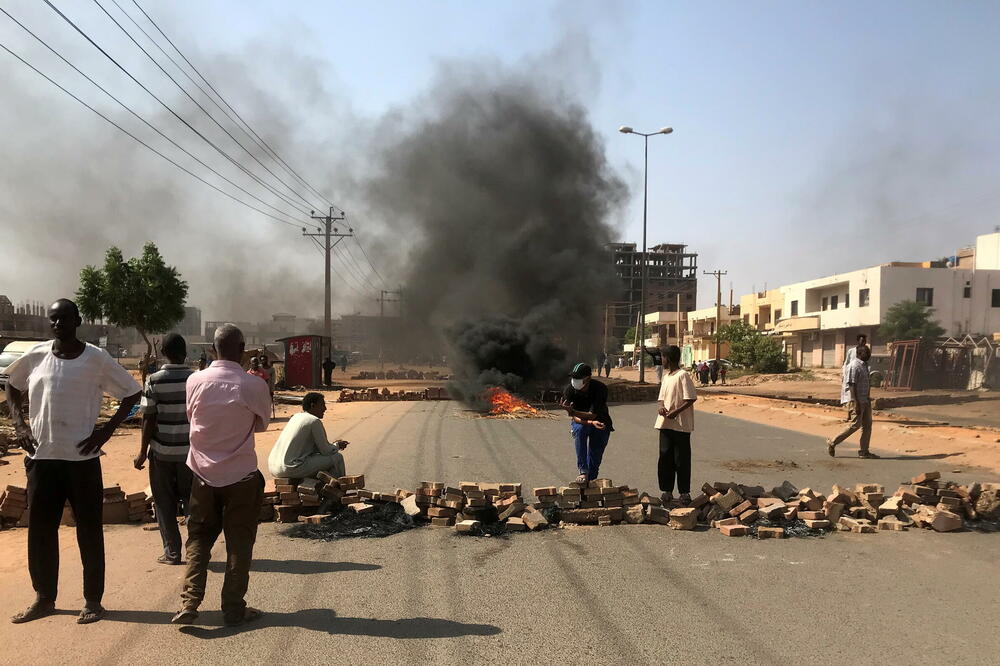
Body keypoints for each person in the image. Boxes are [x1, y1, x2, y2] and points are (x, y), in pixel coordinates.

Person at [5, 299, 141, 625]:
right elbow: (11, 386)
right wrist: (20, 425)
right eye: (53, 319)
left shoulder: (96, 358)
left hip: (82, 461)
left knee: (89, 531)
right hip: (42, 459)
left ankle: (93, 600)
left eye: (64, 318)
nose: (57, 324)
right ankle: (43, 598)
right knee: (40, 531)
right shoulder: (36, 356)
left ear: (77, 320)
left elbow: (132, 394)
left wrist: (105, 432)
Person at [172, 324, 271, 627]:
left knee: (199, 539)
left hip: (201, 475)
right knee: (239, 544)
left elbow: (193, 417)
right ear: (242, 350)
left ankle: (190, 602)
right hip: (241, 476)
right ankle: (233, 608)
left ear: (213, 350)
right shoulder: (253, 385)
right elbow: (263, 424)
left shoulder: (194, 381)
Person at [134, 333, 194, 565]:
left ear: (164, 354)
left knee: (164, 502)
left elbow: (148, 418)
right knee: (192, 502)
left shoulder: (154, 380)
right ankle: (195, 551)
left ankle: (172, 553)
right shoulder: (196, 379)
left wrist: (141, 452)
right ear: (185, 352)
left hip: (162, 453)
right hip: (191, 454)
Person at [268, 393, 349, 480]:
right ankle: (338, 489)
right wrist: (337, 446)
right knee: (337, 457)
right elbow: (325, 451)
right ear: (313, 405)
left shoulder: (296, 417)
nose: (325, 409)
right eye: (322, 405)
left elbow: (314, 448)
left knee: (318, 458)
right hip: (291, 468)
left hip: (273, 467)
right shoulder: (313, 421)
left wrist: (333, 445)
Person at [655, 345, 697, 505]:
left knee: (681, 459)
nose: (661, 360)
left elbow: (691, 398)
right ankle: (666, 490)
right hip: (665, 424)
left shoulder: (682, 375)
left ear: (669, 358)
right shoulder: (666, 377)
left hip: (680, 425)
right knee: (665, 458)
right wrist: (661, 407)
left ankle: (684, 492)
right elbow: (661, 398)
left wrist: (676, 412)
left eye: (663, 357)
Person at [558, 363, 613, 483]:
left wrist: (574, 412)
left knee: (595, 457)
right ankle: (583, 471)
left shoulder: (600, 389)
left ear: (587, 378)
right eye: (573, 378)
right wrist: (575, 414)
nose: (574, 381)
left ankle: (589, 483)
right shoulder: (569, 390)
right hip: (583, 422)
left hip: (601, 423)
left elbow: (592, 415)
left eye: (578, 378)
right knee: (580, 429)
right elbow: (573, 417)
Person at [827, 345, 879, 459]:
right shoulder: (853, 366)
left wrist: (868, 398)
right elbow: (851, 384)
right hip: (856, 400)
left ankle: (864, 451)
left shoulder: (865, 366)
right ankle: (833, 442)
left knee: (867, 426)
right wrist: (855, 402)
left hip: (865, 399)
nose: (869, 355)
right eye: (866, 353)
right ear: (859, 353)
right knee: (855, 425)